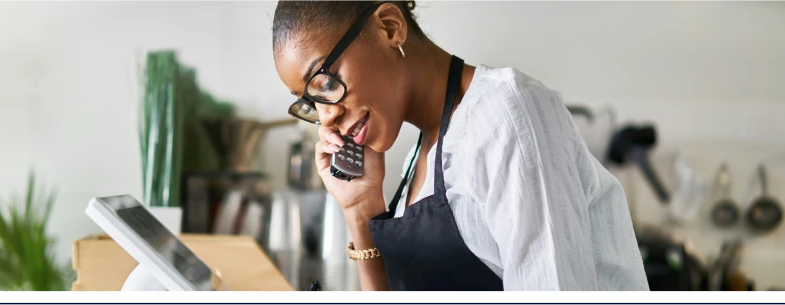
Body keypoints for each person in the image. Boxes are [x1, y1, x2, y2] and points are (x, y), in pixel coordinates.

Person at [272, 0, 650, 293]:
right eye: (310, 101)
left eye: (323, 82)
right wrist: (360, 209)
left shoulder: (508, 114)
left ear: (390, 27)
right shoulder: (417, 158)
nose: (326, 118)